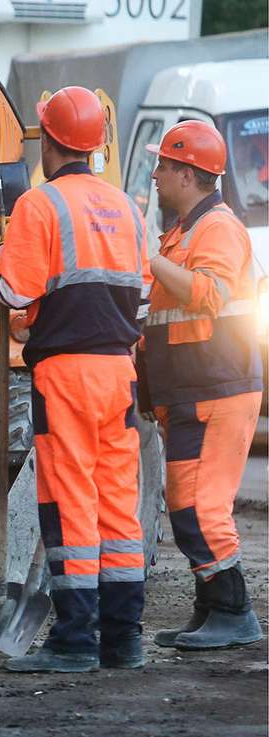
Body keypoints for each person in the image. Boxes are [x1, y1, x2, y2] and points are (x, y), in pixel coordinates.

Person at [0, 86, 154, 673]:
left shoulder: (40, 205)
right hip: (119, 372)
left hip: (65, 373)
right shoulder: (128, 209)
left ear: (50, 140)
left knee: (69, 499)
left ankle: (75, 640)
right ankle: (123, 639)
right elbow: (140, 305)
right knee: (117, 502)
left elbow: (15, 293)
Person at [141, 120, 264, 650]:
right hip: (191, 391)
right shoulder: (186, 229)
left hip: (217, 388)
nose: (155, 173)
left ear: (188, 173)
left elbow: (208, 294)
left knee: (199, 509)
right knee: (185, 504)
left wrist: (149, 260)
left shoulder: (217, 229)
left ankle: (234, 611)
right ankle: (211, 609)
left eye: (164, 164)